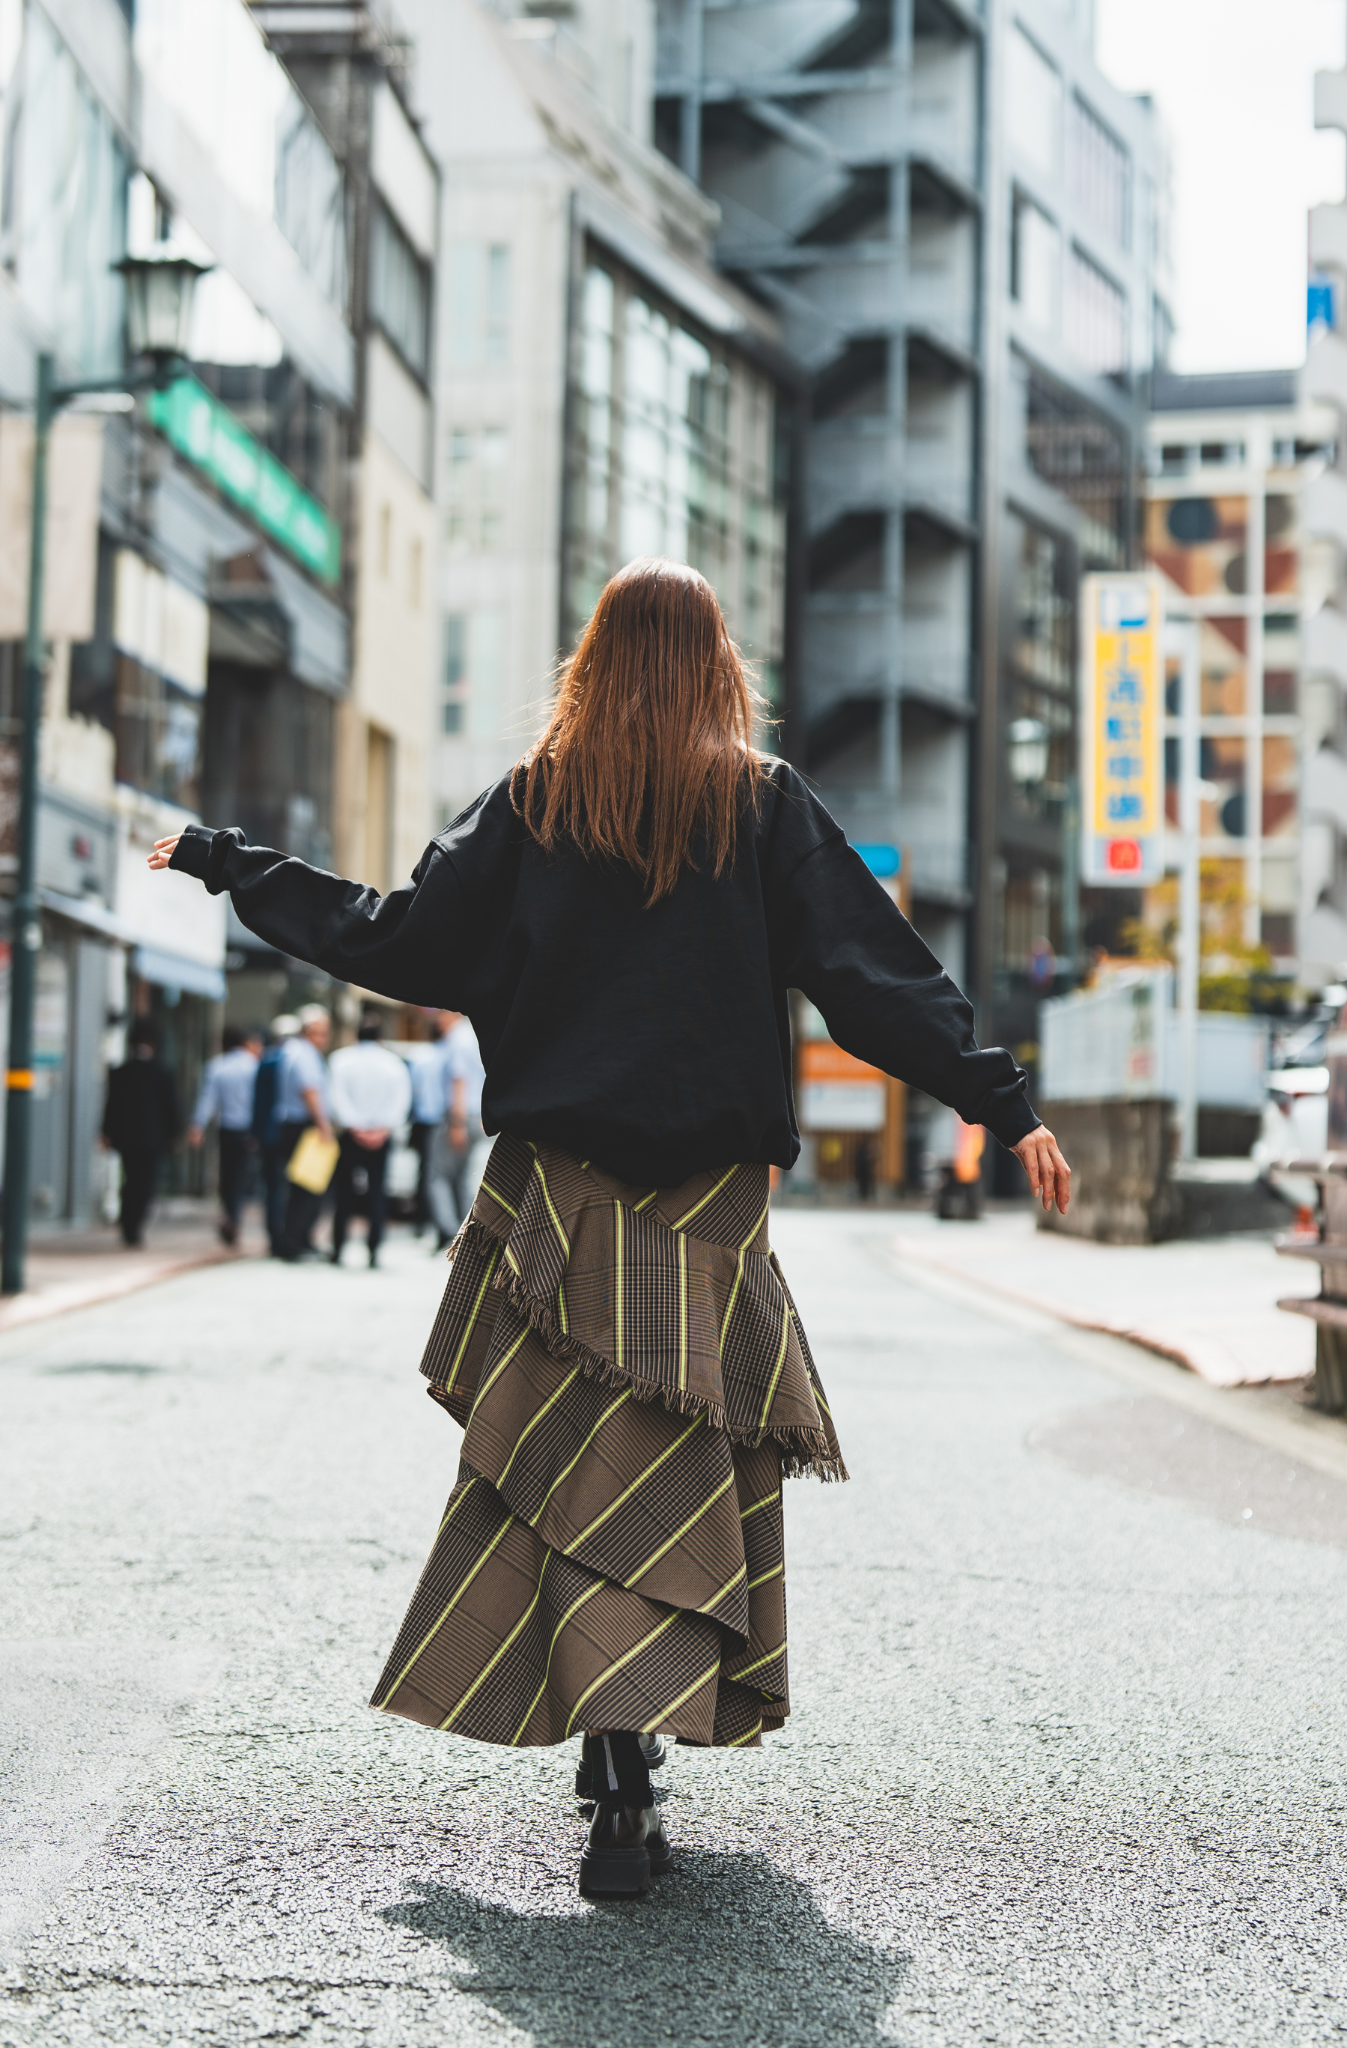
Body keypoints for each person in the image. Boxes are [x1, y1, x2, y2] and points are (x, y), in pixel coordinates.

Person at [150, 556, 1069, 1899]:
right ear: (716, 662)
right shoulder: (761, 807)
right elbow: (876, 982)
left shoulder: (534, 804)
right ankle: (634, 1757)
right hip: (709, 1201)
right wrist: (1000, 1100)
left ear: (590, 660)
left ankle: (614, 1751)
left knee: (566, 1460)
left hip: (558, 1191)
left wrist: (234, 867)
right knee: (670, 1461)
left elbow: (396, 940)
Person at [327, 1014, 412, 1268]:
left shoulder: (340, 1060)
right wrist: (382, 1128)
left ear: (356, 1035)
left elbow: (336, 1097)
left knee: (344, 1193)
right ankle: (374, 1250)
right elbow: (402, 1100)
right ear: (380, 1037)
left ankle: (338, 1247)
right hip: (381, 1135)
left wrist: (355, 1126)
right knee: (377, 1193)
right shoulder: (394, 1064)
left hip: (351, 1135)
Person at [101, 1017, 181, 1248]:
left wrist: (106, 1132)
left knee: (130, 1179)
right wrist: (174, 1135)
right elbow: (171, 1106)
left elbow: (111, 1105)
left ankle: (127, 1223)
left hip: (126, 1138)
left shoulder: (121, 1072)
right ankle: (134, 1226)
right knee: (145, 1183)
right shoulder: (162, 1072)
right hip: (152, 1139)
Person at [188, 1024, 263, 1245]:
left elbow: (207, 1099)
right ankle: (235, 1217)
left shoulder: (217, 1066)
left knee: (228, 1175)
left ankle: (230, 1215)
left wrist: (197, 1125)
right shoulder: (254, 1066)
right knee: (244, 1176)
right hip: (249, 1129)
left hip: (227, 1128)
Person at [274, 1004, 333, 1262]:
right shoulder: (305, 1054)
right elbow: (309, 1090)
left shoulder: (291, 1051)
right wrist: (323, 1125)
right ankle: (294, 1242)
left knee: (302, 1188)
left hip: (293, 1125)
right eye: (320, 1032)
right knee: (307, 1188)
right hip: (303, 1127)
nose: (324, 1038)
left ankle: (296, 1240)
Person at [423, 1007, 486, 1247]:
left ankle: (451, 1231)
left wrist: (456, 1123)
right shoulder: (473, 1036)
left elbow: (459, 1080)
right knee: (465, 1177)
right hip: (475, 1115)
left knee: (438, 1176)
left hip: (458, 1115)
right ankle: (468, 1231)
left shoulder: (457, 1040)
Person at [253, 1014, 300, 1257]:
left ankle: (275, 1237)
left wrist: (256, 1132)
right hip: (291, 1131)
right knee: (291, 1186)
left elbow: (259, 1102)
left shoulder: (267, 1060)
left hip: (270, 1133)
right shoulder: (297, 1059)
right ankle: (288, 1236)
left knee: (272, 1187)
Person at [404, 1020, 448, 1237]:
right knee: (442, 1174)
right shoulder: (448, 1056)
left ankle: (422, 1220)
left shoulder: (419, 1057)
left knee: (425, 1173)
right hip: (443, 1120)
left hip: (423, 1120)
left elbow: (413, 1090)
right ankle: (438, 1221)